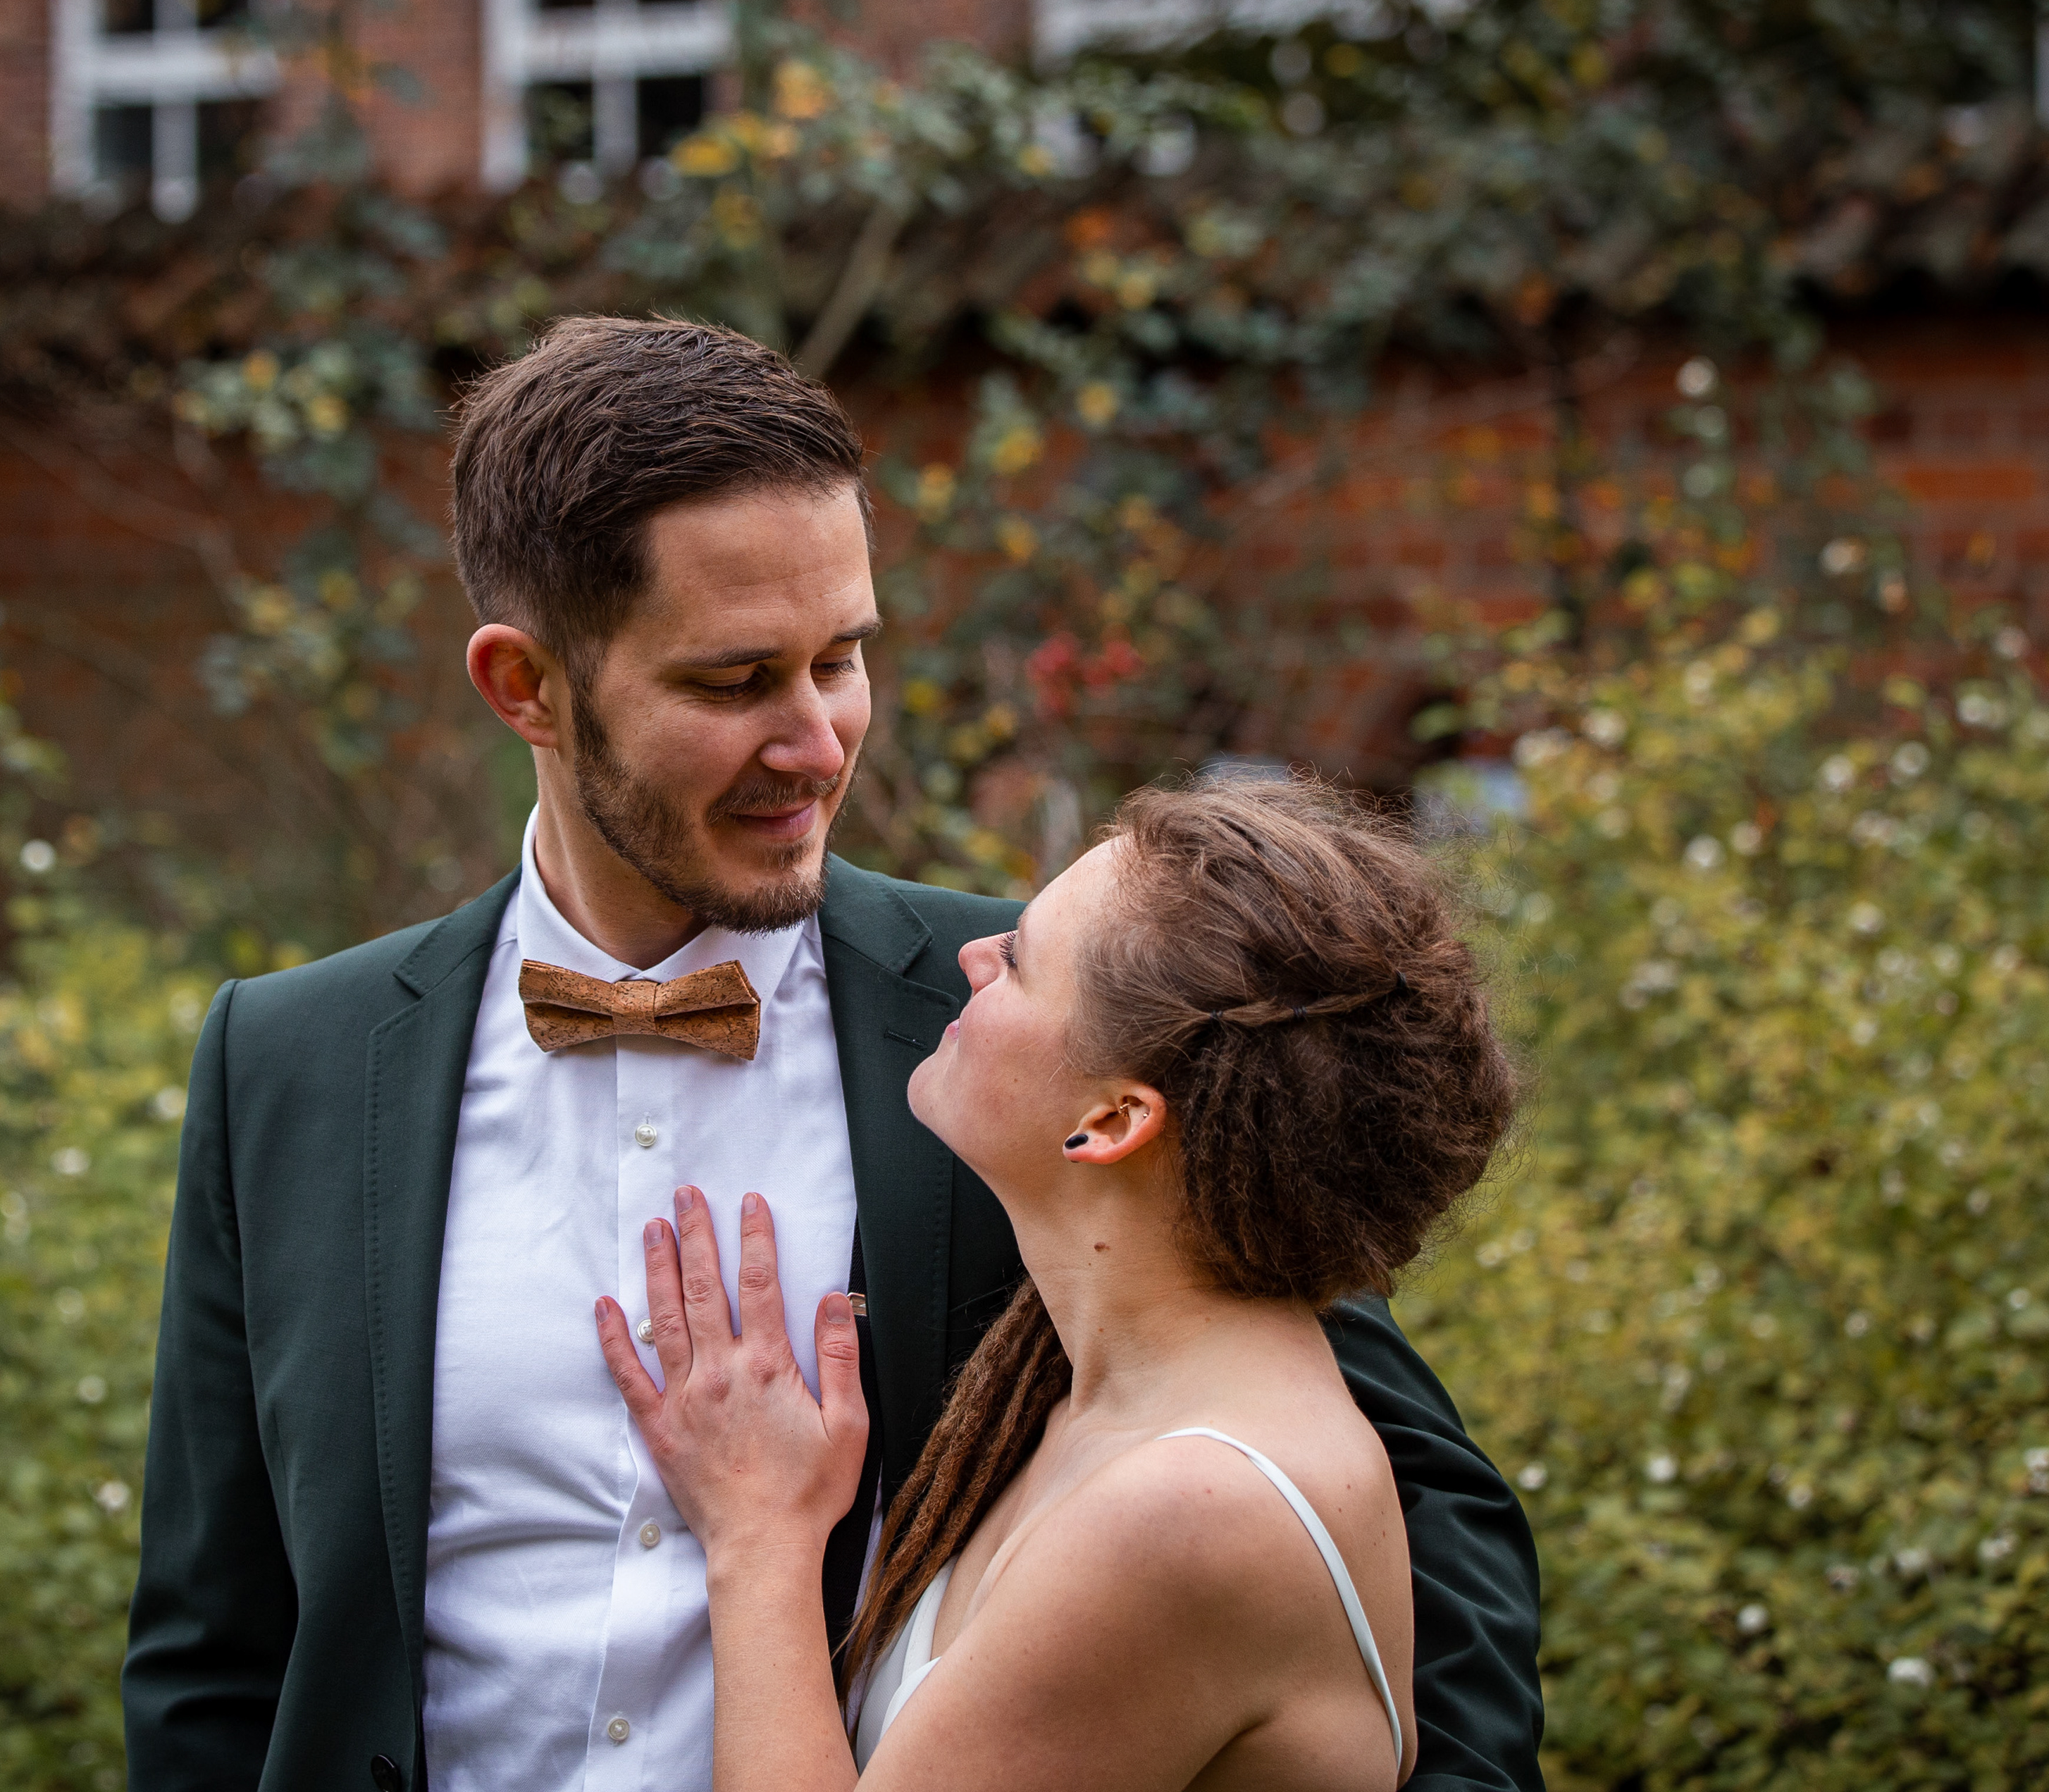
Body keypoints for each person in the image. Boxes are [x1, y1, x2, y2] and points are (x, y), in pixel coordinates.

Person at [120, 316, 1545, 1792]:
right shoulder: (290, 1064)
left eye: (842, 658)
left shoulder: (1040, 1035)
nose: (817, 742)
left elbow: (1401, 1521)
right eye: (737, 681)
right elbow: (213, 1650)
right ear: (525, 686)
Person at [597, 778, 1516, 1790]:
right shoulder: (1093, 1389)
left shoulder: (1188, 1512)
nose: (971, 956)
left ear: (1113, 1121)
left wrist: (759, 1535)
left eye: (1019, 962)